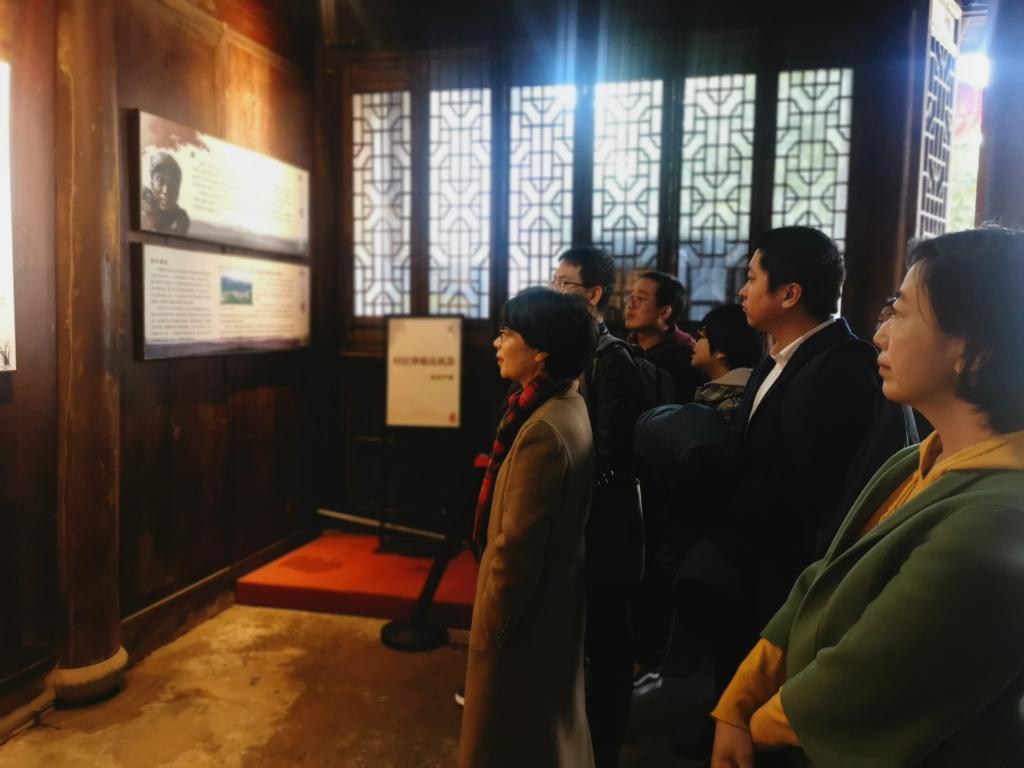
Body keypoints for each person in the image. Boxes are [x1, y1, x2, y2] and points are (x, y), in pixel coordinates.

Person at [711, 226, 1024, 767]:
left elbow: (869, 675)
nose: (880, 336)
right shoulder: (916, 460)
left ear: (973, 353)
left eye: (899, 314)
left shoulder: (995, 519)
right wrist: (740, 697)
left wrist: (753, 726)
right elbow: (822, 581)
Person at [677, 226, 880, 695]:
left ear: (789, 294)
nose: (742, 291)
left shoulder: (842, 367)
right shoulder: (774, 358)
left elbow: (813, 487)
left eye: (752, 278)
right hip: (749, 564)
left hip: (789, 577)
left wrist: (719, 493)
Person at [458, 288, 598, 768]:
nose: (497, 343)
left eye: (508, 333)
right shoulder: (564, 402)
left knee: (511, 738)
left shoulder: (541, 428)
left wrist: (493, 625)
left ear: (541, 350)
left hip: (526, 617)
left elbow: (518, 548)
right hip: (553, 602)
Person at [631, 304, 764, 696]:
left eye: (703, 336)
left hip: (705, 535)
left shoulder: (726, 401)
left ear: (721, 350)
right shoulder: (746, 391)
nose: (695, 342)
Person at [552, 246, 645, 767]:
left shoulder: (610, 359)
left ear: (593, 294)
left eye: (565, 284)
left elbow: (612, 451)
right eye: (554, 280)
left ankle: (604, 748)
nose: (555, 290)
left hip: (603, 521)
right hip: (576, 513)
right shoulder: (570, 349)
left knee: (607, 635)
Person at [625, 271, 706, 403]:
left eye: (640, 298)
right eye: (630, 297)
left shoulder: (687, 357)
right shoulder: (626, 348)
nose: (630, 305)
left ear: (665, 312)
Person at [689, 304, 764, 424]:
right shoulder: (740, 391)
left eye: (700, 337)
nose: (694, 343)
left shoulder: (731, 406)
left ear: (721, 350)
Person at [141, 151, 190, 235]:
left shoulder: (181, 218)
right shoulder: (143, 201)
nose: (166, 191)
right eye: (160, 181)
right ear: (152, 184)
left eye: (172, 184)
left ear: (177, 191)